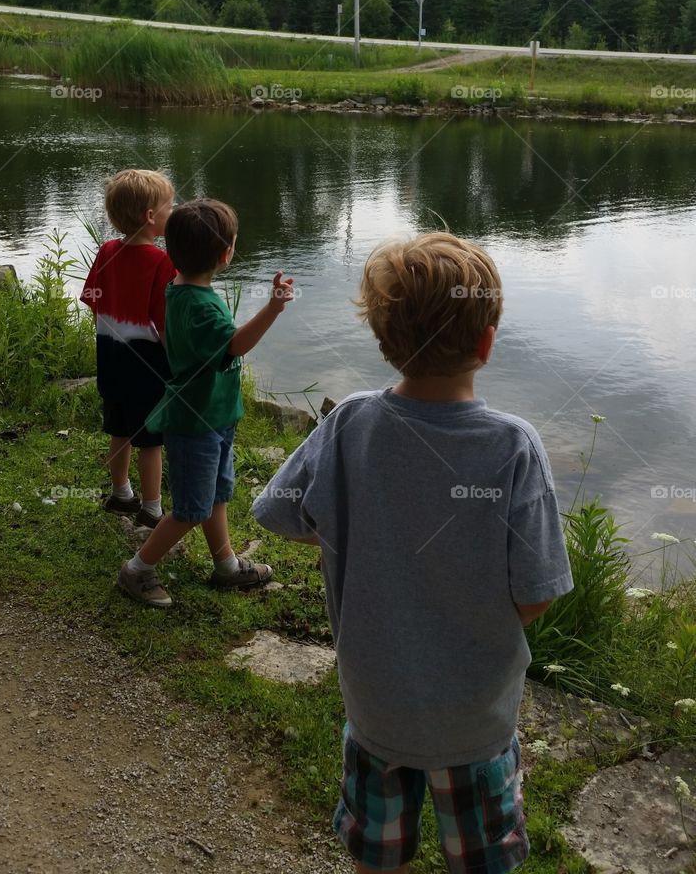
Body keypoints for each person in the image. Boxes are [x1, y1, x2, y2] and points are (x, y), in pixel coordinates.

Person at [252, 232, 574, 874]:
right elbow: (537, 590)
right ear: (486, 342)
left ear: (384, 339)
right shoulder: (514, 446)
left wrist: (359, 533)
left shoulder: (348, 423)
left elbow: (279, 511)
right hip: (475, 716)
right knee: (482, 860)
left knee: (377, 852)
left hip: (376, 704)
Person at [117, 198, 294, 608]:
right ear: (226, 254)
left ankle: (226, 566)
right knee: (192, 509)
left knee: (216, 496)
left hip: (213, 417)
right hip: (196, 424)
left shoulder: (178, 289)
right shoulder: (202, 309)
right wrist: (273, 308)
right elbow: (235, 346)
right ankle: (137, 570)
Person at [81, 168, 175, 529]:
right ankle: (151, 508)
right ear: (151, 217)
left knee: (119, 429)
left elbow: (92, 301)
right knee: (150, 440)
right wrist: (177, 363)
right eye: (170, 205)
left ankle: (121, 493)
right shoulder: (162, 262)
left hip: (110, 353)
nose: (174, 210)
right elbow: (163, 324)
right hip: (147, 361)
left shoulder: (106, 251)